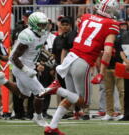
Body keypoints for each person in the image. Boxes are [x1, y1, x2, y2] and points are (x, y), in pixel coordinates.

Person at [44, 0, 120, 134]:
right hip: (82, 61)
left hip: (70, 58)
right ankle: (58, 89)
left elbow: (89, 39)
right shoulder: (111, 24)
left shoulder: (85, 17)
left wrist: (99, 49)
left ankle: (52, 127)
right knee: (84, 102)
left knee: (71, 98)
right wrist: (101, 73)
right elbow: (107, 51)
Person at [9, 11, 50, 127]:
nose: (43, 27)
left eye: (44, 24)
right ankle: (38, 117)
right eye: (40, 25)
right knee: (40, 92)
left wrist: (45, 59)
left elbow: (37, 49)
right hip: (20, 67)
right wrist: (26, 70)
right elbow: (13, 58)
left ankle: (3, 80)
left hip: (30, 66)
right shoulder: (27, 35)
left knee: (24, 95)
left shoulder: (43, 34)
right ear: (33, 24)